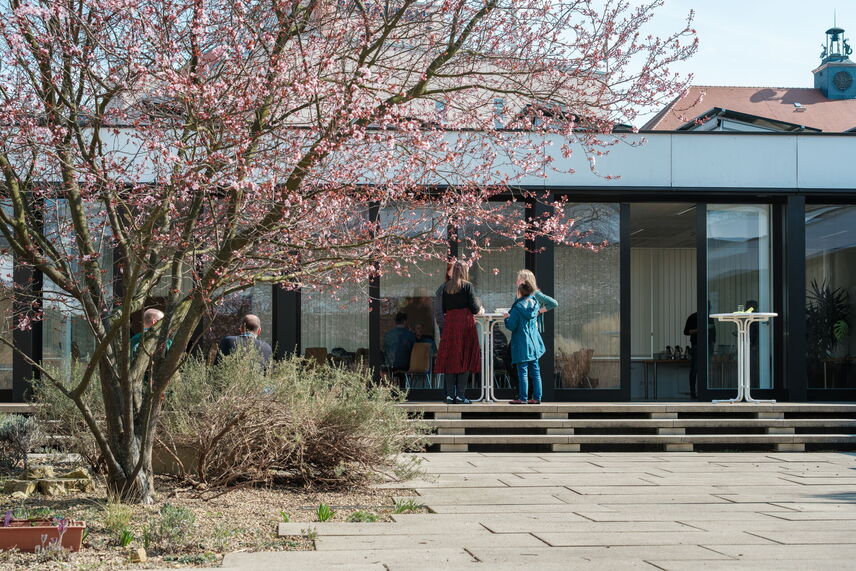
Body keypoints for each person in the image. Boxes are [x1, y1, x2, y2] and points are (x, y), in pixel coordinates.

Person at [435, 261, 482, 404]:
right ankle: (460, 395)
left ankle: (450, 395)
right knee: (465, 358)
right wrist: (480, 309)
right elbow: (474, 308)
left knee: (450, 359)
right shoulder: (467, 286)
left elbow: (443, 309)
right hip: (465, 325)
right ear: (464, 271)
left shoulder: (445, 287)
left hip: (450, 325)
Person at [505, 281, 545, 404]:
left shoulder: (517, 308)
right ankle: (537, 398)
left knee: (522, 371)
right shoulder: (535, 304)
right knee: (536, 371)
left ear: (520, 292)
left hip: (521, 343)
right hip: (534, 343)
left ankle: (523, 398)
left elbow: (511, 326)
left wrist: (506, 318)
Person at [684, 306, 716, 399]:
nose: (708, 310)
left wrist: (712, 345)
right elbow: (686, 331)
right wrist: (699, 330)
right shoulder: (693, 317)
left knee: (708, 369)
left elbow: (713, 333)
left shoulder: (710, 318)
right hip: (696, 345)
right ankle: (693, 393)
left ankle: (708, 392)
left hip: (708, 345)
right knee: (695, 369)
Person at [516, 269, 558, 334]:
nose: (516, 282)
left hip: (532, 328)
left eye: (519, 280)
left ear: (526, 282)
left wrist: (538, 311)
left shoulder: (535, 293)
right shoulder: (518, 293)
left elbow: (553, 303)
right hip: (521, 326)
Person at [383, 312, 417, 376]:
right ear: (404, 322)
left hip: (390, 366)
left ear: (395, 322)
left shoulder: (388, 335)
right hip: (405, 366)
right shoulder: (410, 335)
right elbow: (415, 351)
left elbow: (385, 350)